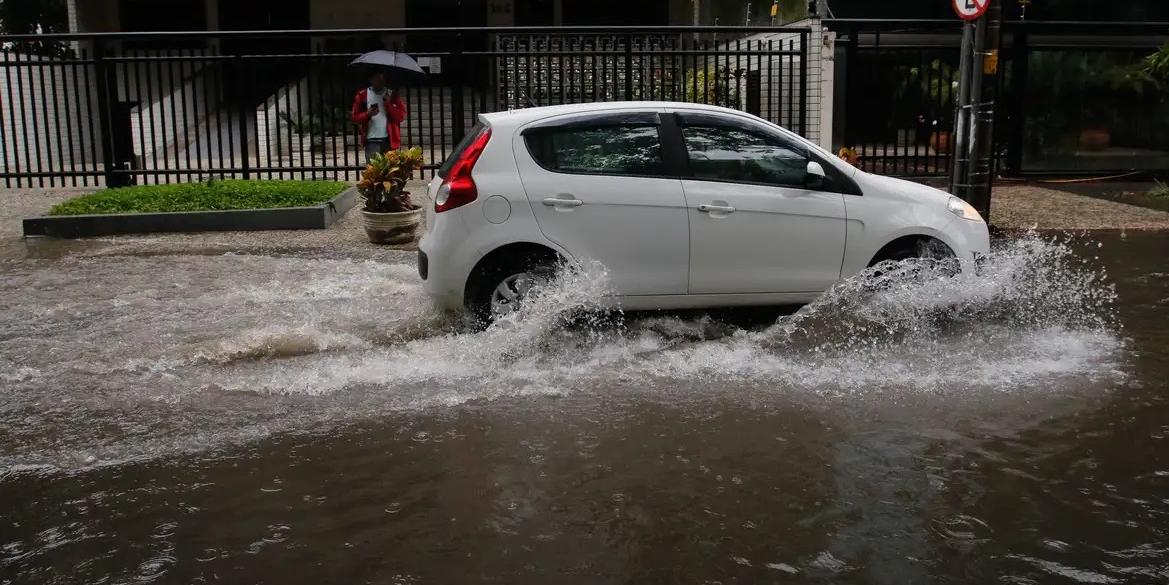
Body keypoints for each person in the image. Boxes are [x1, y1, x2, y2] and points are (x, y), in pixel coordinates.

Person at [351, 70, 407, 162]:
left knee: (391, 172)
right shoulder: (362, 95)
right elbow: (355, 118)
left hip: (389, 141)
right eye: (377, 79)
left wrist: (388, 104)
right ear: (371, 80)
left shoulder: (392, 95)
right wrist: (367, 114)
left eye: (382, 80)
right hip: (371, 140)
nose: (380, 82)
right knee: (373, 172)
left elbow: (400, 117)